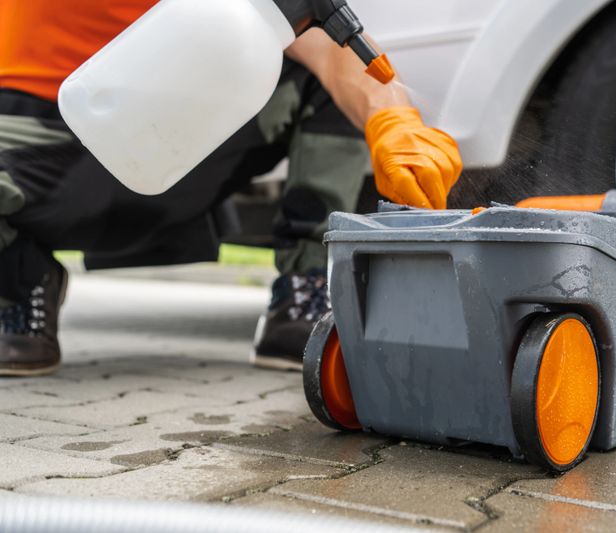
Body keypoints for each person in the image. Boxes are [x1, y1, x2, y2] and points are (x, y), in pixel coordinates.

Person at [0, 0, 463, 376]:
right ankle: (19, 281)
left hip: (173, 146)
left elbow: (322, 32)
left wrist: (392, 117)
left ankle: (306, 290)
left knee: (318, 75)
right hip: (32, 141)